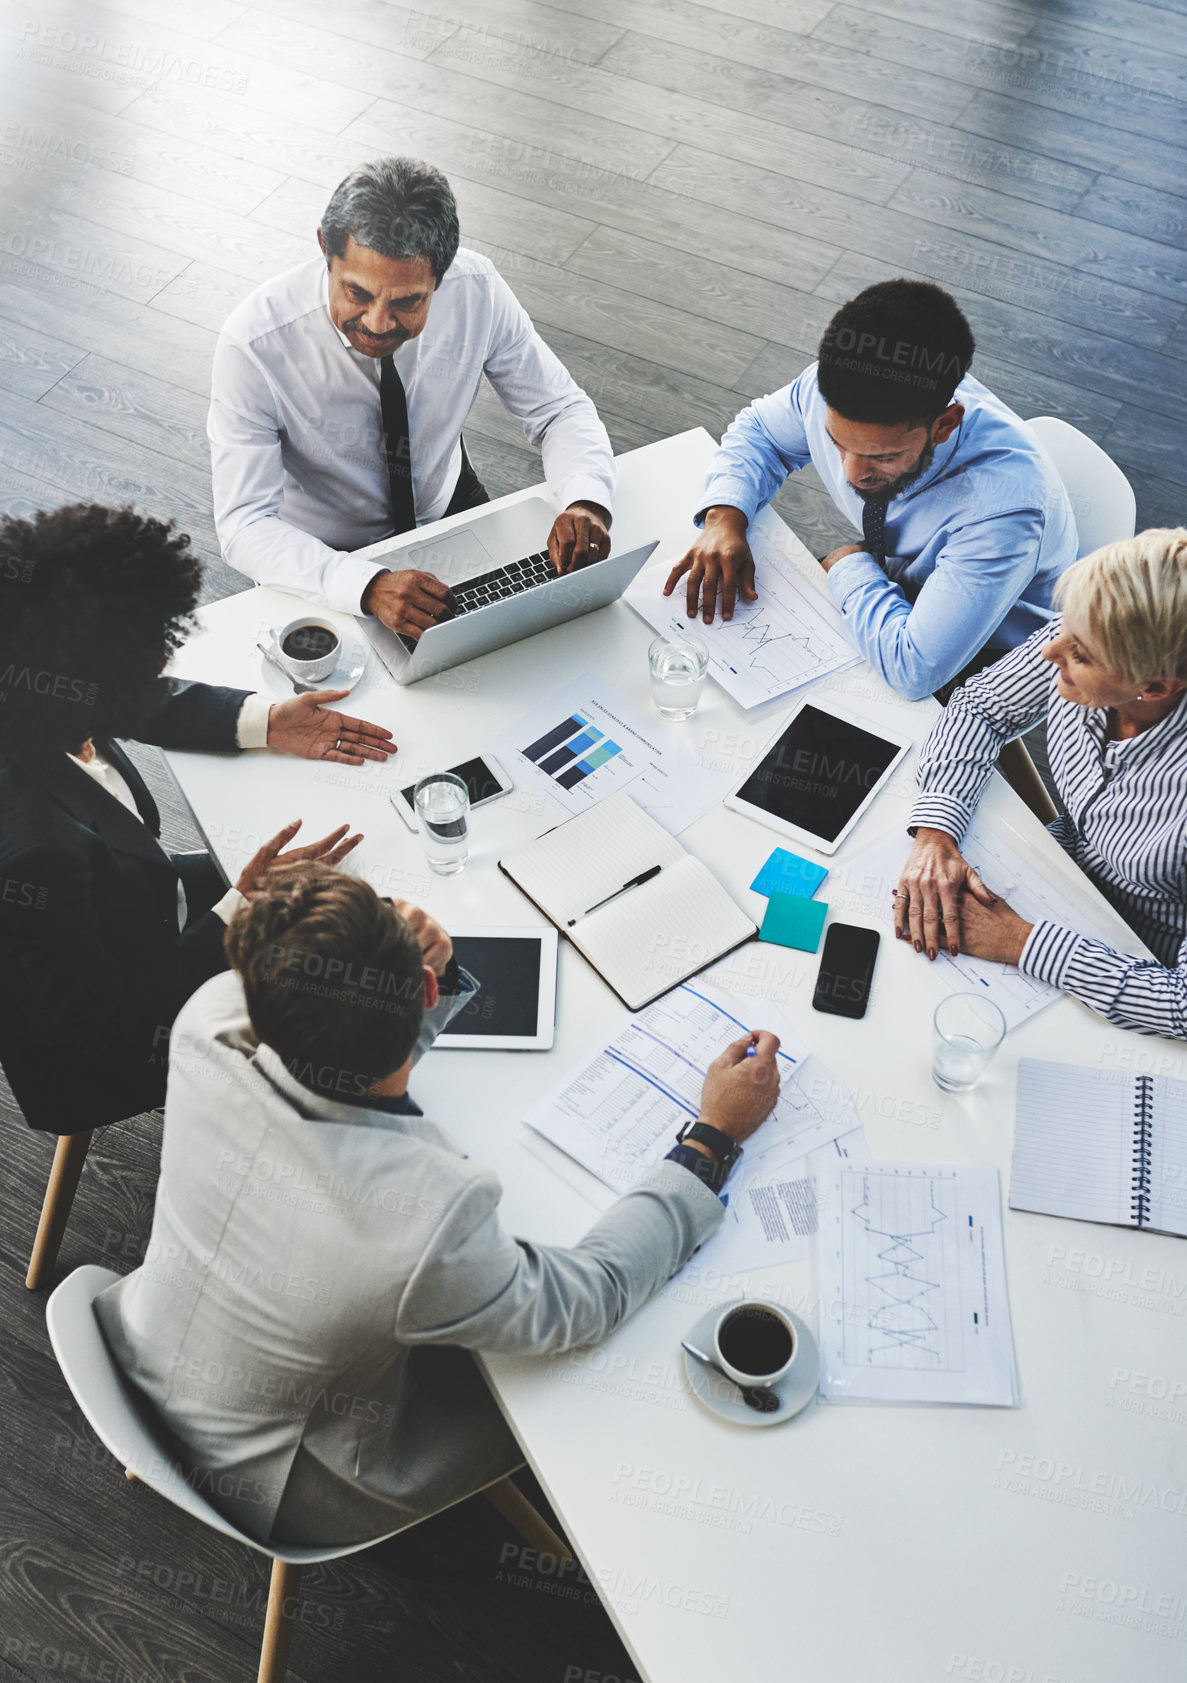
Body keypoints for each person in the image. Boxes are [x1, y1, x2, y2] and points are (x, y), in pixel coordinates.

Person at [95, 863, 779, 1547]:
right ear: (423, 989)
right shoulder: (427, 1218)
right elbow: (586, 1300)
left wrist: (412, 983)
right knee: (593, 1379)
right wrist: (710, 1137)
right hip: (280, 1477)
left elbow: (331, 1058)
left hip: (139, 1341)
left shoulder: (205, 1022)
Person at [0, 504, 397, 1133]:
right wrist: (243, 904)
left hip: (136, 908)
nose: (161, 662)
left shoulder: (36, 692)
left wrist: (270, 721)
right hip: (113, 1048)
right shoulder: (34, 854)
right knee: (358, 990)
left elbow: (133, 700)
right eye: (144, 655)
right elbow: (119, 1032)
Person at [209, 155, 617, 641]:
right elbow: (244, 524)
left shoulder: (478, 288)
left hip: (447, 503)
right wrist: (366, 585)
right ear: (325, 249)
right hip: (325, 553)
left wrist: (586, 501)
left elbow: (559, 409)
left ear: (441, 276)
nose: (378, 323)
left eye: (406, 302)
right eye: (357, 292)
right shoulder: (252, 345)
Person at [666, 280, 1077, 701]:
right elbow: (760, 432)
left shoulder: (1004, 512)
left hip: (989, 650)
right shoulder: (837, 386)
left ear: (945, 425)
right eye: (837, 442)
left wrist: (849, 563)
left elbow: (914, 669)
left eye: (882, 457)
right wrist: (724, 519)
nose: (851, 473)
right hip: (897, 575)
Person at [895, 529, 1187, 1039]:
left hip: (1137, 956)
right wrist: (936, 834)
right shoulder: (1090, 634)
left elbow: (1182, 1007)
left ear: (1156, 687)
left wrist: (1020, 942)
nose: (1050, 650)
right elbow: (980, 708)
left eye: (1081, 654)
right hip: (1051, 871)